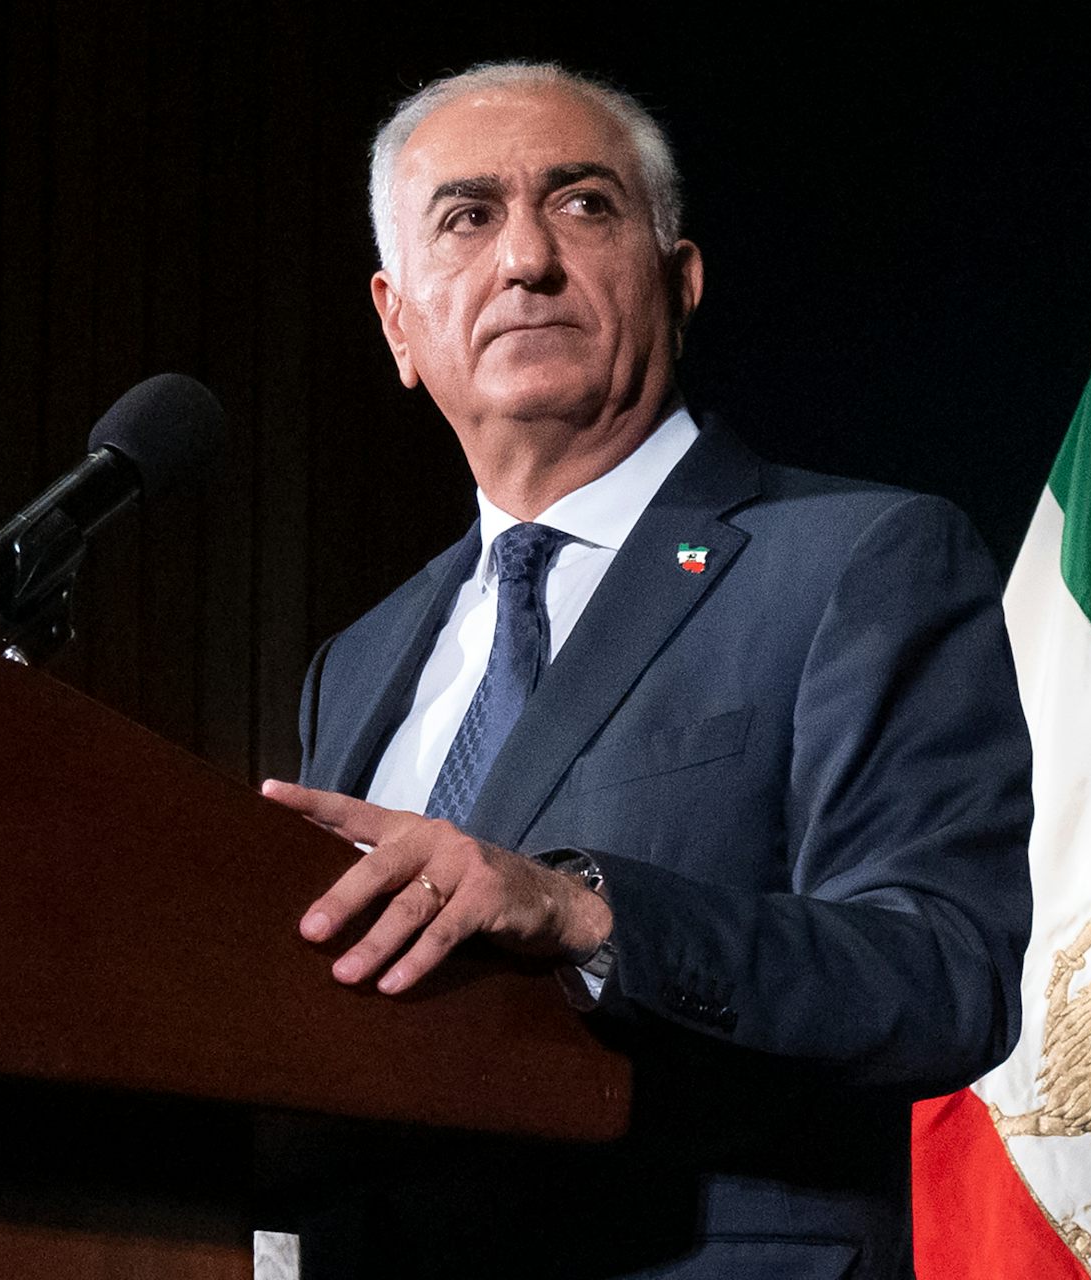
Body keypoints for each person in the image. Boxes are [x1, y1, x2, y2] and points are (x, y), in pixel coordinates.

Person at [260, 61, 1033, 1279]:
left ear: (680, 282)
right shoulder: (355, 662)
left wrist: (583, 911)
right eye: (466, 217)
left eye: (581, 205)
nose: (526, 259)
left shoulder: (855, 561)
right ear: (398, 324)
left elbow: (943, 972)